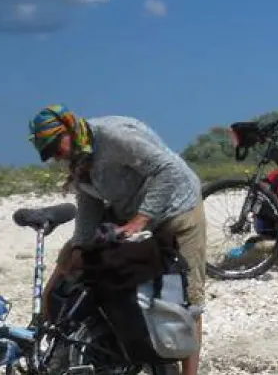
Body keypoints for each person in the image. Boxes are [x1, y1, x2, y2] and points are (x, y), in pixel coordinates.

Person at [29, 105, 207, 375]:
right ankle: (53, 340)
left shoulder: (113, 137)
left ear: (68, 129)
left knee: (186, 298)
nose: (56, 156)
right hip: (128, 210)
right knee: (69, 262)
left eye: (56, 147)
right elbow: (89, 201)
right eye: (50, 153)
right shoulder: (78, 155)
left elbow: (169, 171)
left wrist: (140, 220)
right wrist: (80, 245)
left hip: (177, 209)